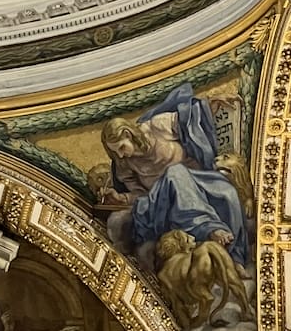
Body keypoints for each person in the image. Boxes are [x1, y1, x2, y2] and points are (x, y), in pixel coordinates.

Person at [100, 83, 249, 269]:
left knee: (228, 193)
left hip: (198, 180)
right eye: (115, 153)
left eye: (121, 148)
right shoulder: (125, 165)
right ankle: (210, 229)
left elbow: (192, 119)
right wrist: (121, 198)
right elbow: (142, 196)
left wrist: (211, 102)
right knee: (175, 173)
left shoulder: (156, 127)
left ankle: (236, 258)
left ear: (129, 134)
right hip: (164, 200)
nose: (121, 155)